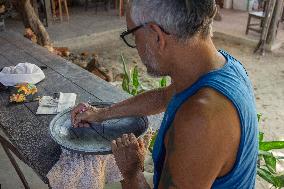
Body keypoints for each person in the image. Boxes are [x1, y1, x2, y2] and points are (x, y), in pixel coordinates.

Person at [72, 0, 258, 188]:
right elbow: (162, 97)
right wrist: (100, 114)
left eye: (133, 35)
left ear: (157, 36)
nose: (135, 46)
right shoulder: (218, 66)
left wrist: (132, 172)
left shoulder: (200, 118)